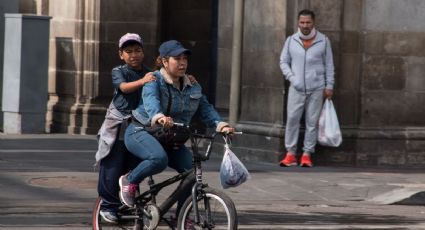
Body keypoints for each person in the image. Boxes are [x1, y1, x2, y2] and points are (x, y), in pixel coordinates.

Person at [119, 40, 235, 216]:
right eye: (177, 59)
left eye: (185, 59)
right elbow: (151, 102)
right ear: (165, 61)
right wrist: (159, 117)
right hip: (140, 131)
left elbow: (205, 108)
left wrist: (221, 125)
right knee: (159, 159)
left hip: (169, 137)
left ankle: (182, 218)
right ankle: (129, 180)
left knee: (192, 173)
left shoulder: (192, 85)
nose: (182, 63)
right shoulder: (154, 80)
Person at [95, 33, 156, 223]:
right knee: (113, 165)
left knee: (132, 168)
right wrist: (143, 81)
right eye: (128, 51)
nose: (134, 55)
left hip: (139, 127)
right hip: (119, 125)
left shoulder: (149, 72)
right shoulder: (118, 71)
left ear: (143, 52)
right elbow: (123, 87)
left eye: (137, 50)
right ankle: (108, 206)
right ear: (121, 55)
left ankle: (128, 204)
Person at [278, 9, 335, 167]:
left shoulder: (323, 40)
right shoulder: (291, 40)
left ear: (313, 23)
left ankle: (306, 154)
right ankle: (290, 154)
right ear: (298, 23)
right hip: (296, 88)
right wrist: (292, 78)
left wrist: (329, 85)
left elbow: (329, 65)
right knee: (292, 120)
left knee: (312, 122)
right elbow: (283, 61)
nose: (305, 25)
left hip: (316, 88)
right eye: (302, 22)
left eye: (308, 22)